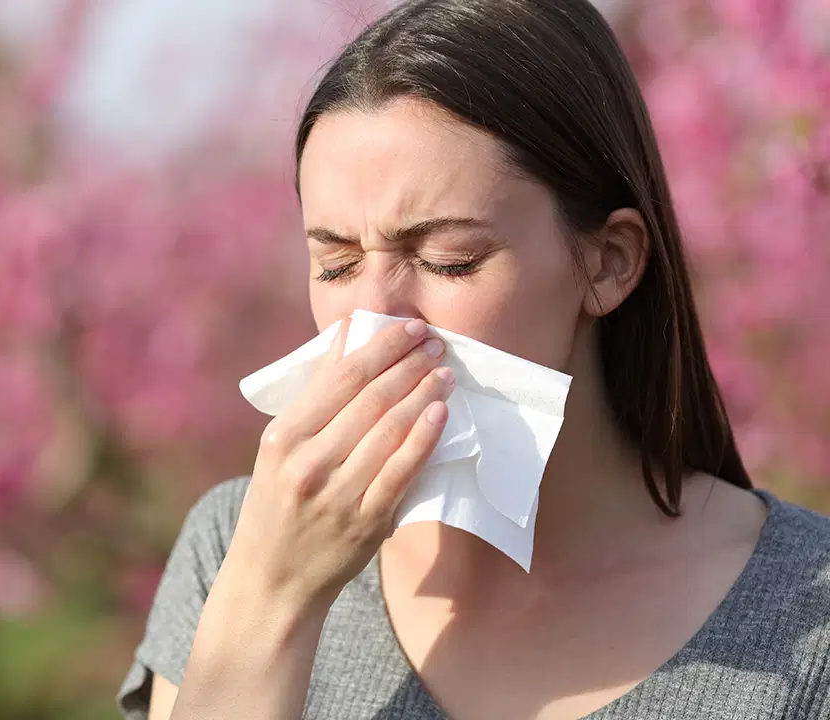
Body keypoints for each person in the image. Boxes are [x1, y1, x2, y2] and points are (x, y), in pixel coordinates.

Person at [117, 0, 830, 718]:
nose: (373, 317)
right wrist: (272, 600)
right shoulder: (236, 547)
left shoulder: (809, 618)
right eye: (335, 264)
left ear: (609, 262)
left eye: (448, 260)